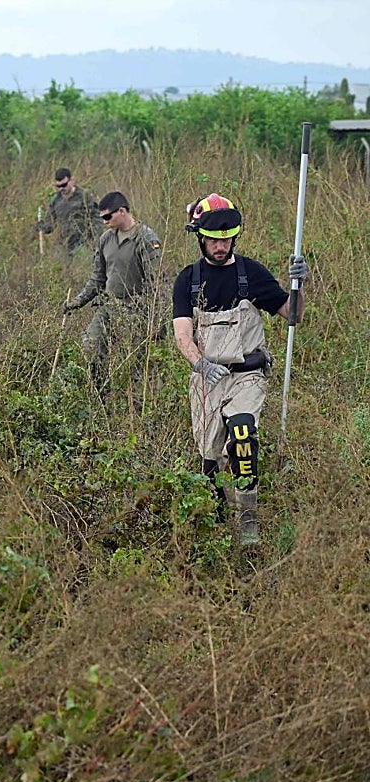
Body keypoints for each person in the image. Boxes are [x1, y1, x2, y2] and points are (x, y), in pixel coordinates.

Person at [171, 193, 309, 546]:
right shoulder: (188, 280)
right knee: (209, 461)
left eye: (227, 239)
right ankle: (218, 527)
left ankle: (249, 521)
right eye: (213, 240)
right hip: (207, 378)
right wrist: (200, 363)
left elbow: (293, 314)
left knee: (243, 433)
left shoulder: (252, 274)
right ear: (200, 238)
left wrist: (299, 284)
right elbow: (183, 335)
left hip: (248, 374)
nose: (221, 246)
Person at [63, 191, 163, 395]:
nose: (105, 221)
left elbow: (156, 284)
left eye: (108, 216)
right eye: (102, 217)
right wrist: (77, 302)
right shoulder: (106, 239)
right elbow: (98, 278)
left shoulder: (145, 238)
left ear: (122, 211)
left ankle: (135, 401)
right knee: (90, 346)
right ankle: (101, 394)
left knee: (134, 363)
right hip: (109, 306)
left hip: (135, 310)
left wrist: (155, 321)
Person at [36, 167, 103, 254]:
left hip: (83, 243)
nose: (61, 188)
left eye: (64, 185)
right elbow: (50, 225)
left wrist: (95, 238)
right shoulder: (56, 201)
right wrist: (41, 226)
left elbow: (97, 217)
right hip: (64, 244)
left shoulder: (84, 196)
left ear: (72, 181)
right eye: (58, 186)